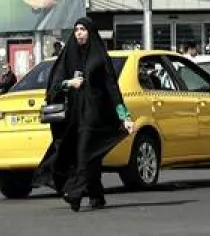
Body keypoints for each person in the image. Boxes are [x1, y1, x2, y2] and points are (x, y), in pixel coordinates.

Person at [33, 18, 134, 212]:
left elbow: (112, 88)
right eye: (77, 29)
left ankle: (75, 193)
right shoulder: (67, 56)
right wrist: (69, 83)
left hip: (94, 115)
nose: (79, 33)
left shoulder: (99, 56)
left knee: (85, 153)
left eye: (83, 29)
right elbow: (54, 86)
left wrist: (124, 116)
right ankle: (96, 195)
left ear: (91, 32)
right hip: (71, 116)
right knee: (82, 155)